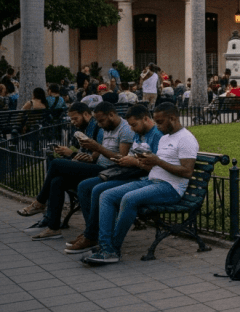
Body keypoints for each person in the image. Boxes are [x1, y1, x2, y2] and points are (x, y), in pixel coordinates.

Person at [83, 103, 197, 264]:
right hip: (151, 180)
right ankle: (105, 246)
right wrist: (143, 162)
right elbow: (155, 165)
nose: (157, 125)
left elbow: (187, 172)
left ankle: (111, 250)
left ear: (172, 118)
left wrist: (157, 161)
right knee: (107, 195)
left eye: (160, 122)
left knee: (129, 199)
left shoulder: (186, 139)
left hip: (170, 187)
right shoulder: (165, 138)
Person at [63, 104, 164, 253]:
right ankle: (92, 234)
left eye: (134, 125)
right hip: (126, 171)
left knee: (100, 191)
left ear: (146, 119)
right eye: (131, 125)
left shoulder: (157, 136)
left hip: (140, 177)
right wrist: (125, 159)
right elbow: (127, 157)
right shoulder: (138, 134)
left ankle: (95, 237)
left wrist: (133, 161)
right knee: (85, 186)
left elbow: (156, 166)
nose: (132, 129)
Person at [18, 103, 101, 228]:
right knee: (57, 181)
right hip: (87, 168)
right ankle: (53, 226)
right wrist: (69, 152)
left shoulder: (97, 129)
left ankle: (40, 202)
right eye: (71, 119)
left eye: (75, 118)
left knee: (56, 164)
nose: (73, 122)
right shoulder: (86, 128)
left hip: (96, 170)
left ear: (85, 114)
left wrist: (71, 154)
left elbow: (94, 158)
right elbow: (84, 154)